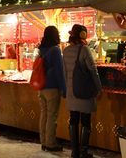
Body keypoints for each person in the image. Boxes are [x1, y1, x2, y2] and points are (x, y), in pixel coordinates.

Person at [62, 24, 101, 158]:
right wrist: (98, 87)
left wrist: (66, 90)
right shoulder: (84, 50)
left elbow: (64, 73)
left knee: (73, 120)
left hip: (71, 92)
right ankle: (83, 152)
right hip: (84, 91)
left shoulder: (66, 51)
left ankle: (74, 152)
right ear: (82, 35)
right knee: (85, 121)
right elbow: (93, 70)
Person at [38, 26, 66, 152]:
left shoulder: (41, 49)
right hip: (52, 87)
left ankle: (43, 141)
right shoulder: (55, 50)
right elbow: (60, 71)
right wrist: (64, 88)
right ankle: (50, 143)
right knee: (52, 116)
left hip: (41, 87)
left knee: (44, 115)